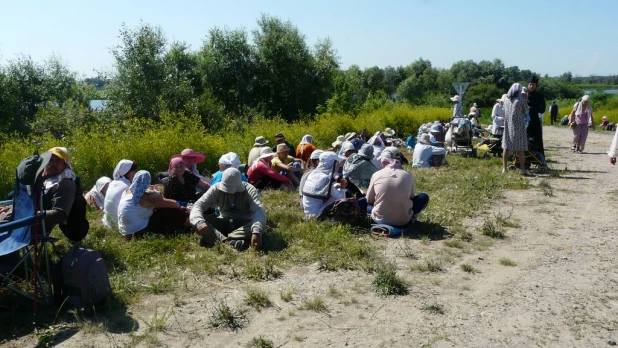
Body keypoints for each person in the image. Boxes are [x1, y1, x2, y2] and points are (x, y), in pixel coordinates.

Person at [190, 168, 266, 250]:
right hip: (224, 222)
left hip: (244, 225)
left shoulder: (250, 190)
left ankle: (216, 239)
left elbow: (259, 211)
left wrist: (256, 230)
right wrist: (200, 222)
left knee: (258, 226)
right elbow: (198, 205)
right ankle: (230, 242)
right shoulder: (216, 188)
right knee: (199, 220)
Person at [366, 147, 429, 227]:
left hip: (379, 219)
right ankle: (411, 218)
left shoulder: (376, 174)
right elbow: (411, 198)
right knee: (424, 196)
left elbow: (369, 200)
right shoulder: (408, 174)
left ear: (384, 160)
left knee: (361, 201)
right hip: (404, 220)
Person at [118, 170, 190, 238]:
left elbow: (145, 191)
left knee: (159, 208)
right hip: (137, 232)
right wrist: (157, 194)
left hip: (125, 231)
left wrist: (155, 193)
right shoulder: (143, 198)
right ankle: (190, 223)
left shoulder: (127, 191)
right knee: (168, 211)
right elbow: (175, 204)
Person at [103, 159, 142, 229]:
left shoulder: (113, 183)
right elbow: (141, 202)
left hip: (109, 222)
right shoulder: (127, 186)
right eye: (134, 171)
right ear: (126, 172)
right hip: (120, 225)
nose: (136, 173)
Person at [502, 83, 529, 175]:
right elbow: (526, 113)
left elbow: (504, 111)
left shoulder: (506, 99)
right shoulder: (522, 100)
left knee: (506, 147)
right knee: (520, 149)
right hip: (519, 127)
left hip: (508, 126)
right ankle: (522, 169)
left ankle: (504, 168)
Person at [526, 75, 546, 157]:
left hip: (535, 121)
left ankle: (539, 159)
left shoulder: (540, 96)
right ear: (528, 85)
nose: (531, 86)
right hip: (524, 122)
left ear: (536, 86)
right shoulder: (523, 95)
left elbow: (542, 109)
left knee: (537, 141)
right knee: (525, 140)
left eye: (533, 84)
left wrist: (530, 108)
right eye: (530, 84)